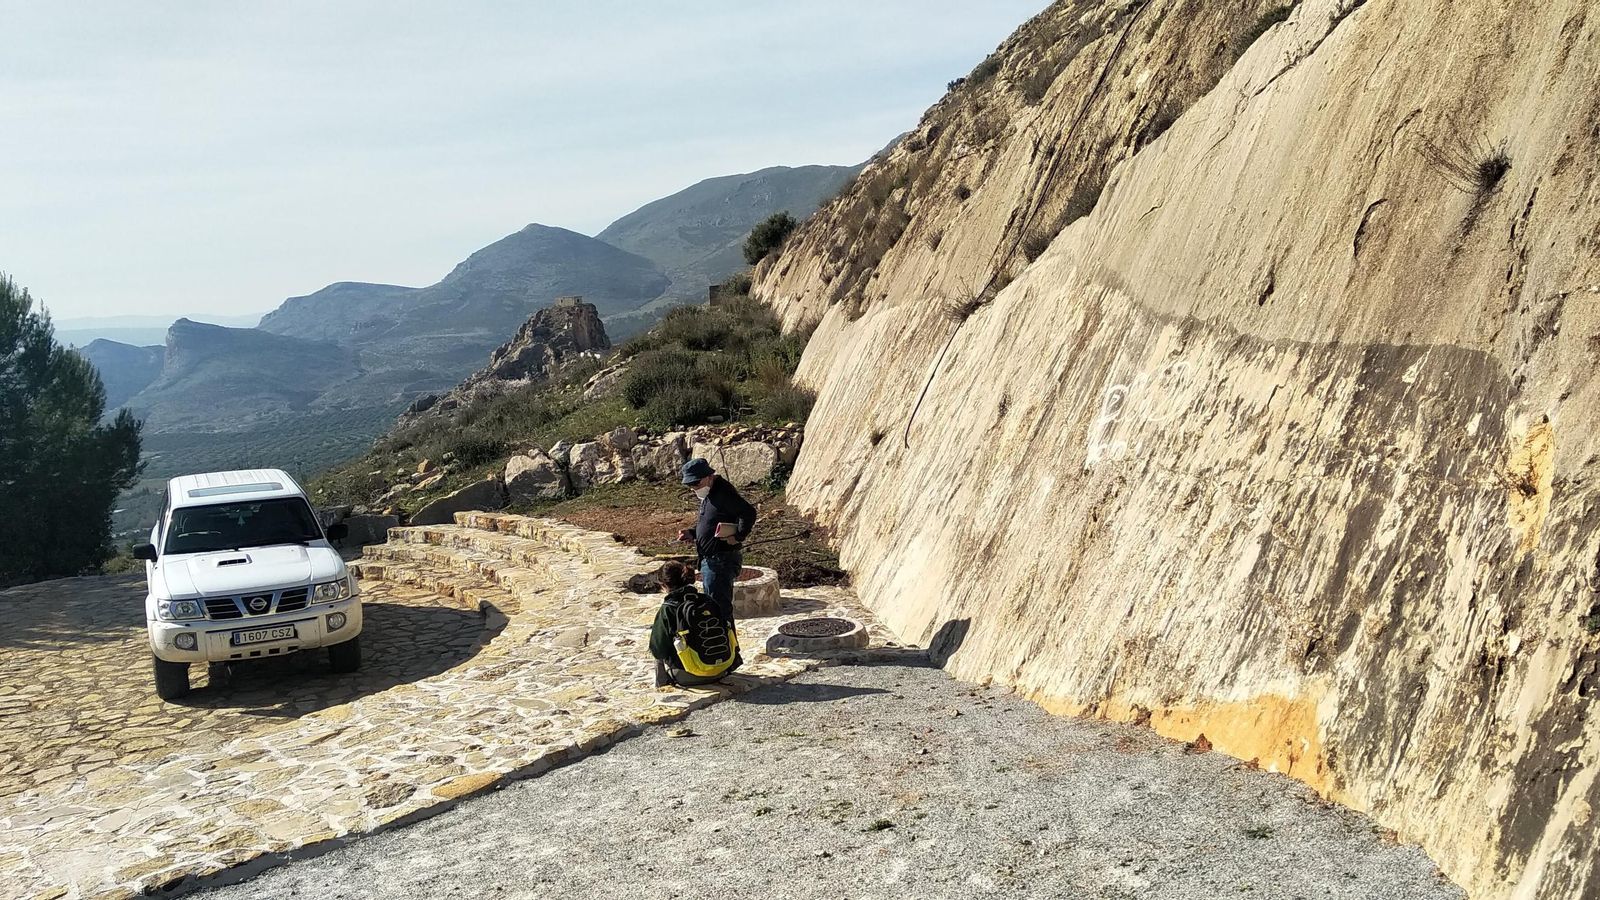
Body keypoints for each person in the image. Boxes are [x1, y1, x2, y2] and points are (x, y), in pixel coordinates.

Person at [676, 457, 757, 621]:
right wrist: (693, 533)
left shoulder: (723, 493)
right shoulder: (709, 493)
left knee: (718, 612)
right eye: (689, 485)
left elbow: (748, 512)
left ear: (709, 476)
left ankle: (724, 645)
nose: (693, 488)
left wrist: (738, 536)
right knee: (713, 609)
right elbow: (712, 522)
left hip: (720, 561)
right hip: (710, 560)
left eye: (696, 483)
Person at [649, 560, 741, 687]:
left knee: (658, 641)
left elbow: (658, 650)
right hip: (721, 669)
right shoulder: (707, 600)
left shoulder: (668, 608)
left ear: (664, 585)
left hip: (688, 675)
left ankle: (661, 684)